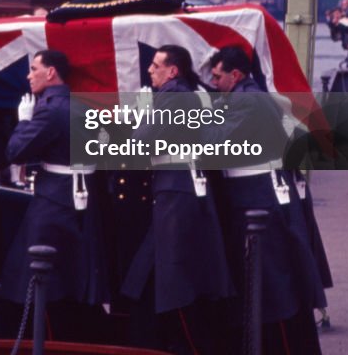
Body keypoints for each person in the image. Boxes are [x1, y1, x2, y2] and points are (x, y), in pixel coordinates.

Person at [206, 46, 324, 354]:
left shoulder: (248, 101)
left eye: (217, 77)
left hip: (258, 200)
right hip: (258, 197)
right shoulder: (244, 97)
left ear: (236, 75)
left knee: (273, 289)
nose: (213, 82)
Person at [121, 45, 233, 353]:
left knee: (177, 283)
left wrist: (142, 116)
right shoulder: (183, 95)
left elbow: (137, 146)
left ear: (173, 71)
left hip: (175, 195)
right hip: (177, 190)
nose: (149, 70)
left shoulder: (174, 97)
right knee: (155, 279)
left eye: (156, 65)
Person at [1, 50, 109, 341]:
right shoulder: (86, 107)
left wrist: (24, 121)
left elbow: (15, 152)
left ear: (51, 73)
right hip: (84, 200)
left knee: (36, 280)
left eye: (34, 68)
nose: (28, 75)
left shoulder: (49, 109)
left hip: (53, 202)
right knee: (75, 280)